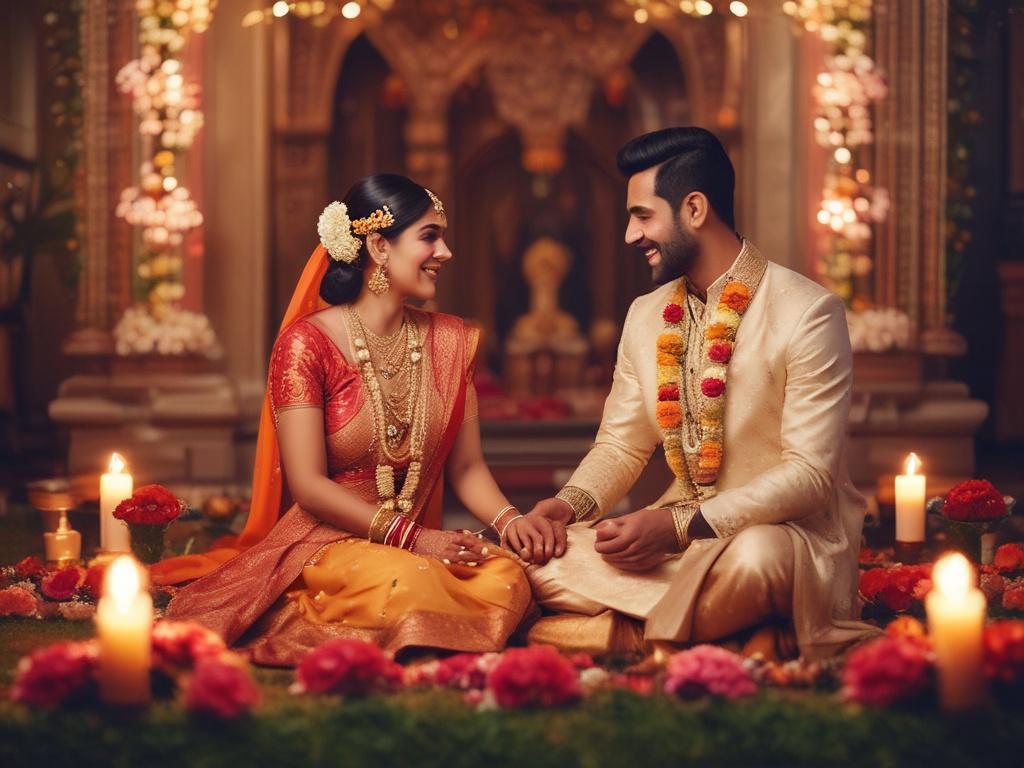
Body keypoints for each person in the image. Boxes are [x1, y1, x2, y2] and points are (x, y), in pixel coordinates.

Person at [153, 174, 555, 664]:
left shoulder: (450, 341)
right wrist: (415, 538)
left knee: (506, 574)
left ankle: (431, 622)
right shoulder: (307, 344)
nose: (445, 252)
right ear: (380, 247)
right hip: (328, 540)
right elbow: (308, 484)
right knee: (408, 580)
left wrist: (509, 521)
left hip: (410, 544)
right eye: (430, 236)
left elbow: (467, 469)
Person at [519, 127, 881, 659]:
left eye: (642, 216)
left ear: (693, 209)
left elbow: (810, 476)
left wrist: (676, 525)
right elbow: (621, 445)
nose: (628, 235)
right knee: (541, 563)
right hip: (674, 550)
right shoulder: (646, 315)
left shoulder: (807, 313)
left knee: (757, 561)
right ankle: (735, 631)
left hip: (781, 537)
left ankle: (626, 635)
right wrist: (567, 507)